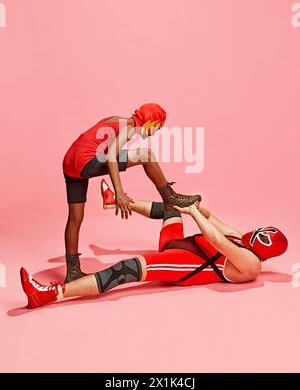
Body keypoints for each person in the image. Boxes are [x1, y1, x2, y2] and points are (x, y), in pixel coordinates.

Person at [20, 194, 288, 309]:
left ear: (269, 251)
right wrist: (191, 203)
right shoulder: (243, 238)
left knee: (127, 270)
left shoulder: (251, 263)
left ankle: (49, 295)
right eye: (264, 230)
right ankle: (116, 199)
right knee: (171, 207)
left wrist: (193, 211)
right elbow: (211, 217)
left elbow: (217, 239)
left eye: (266, 237)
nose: (259, 233)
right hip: (181, 244)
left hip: (186, 264)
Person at [62, 103, 201, 282]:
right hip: (85, 161)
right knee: (147, 155)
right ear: (150, 122)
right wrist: (119, 192)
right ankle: (169, 197)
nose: (154, 133)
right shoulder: (130, 128)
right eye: (156, 129)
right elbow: (112, 155)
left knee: (75, 218)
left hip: (69, 163)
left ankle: (72, 273)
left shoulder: (117, 120)